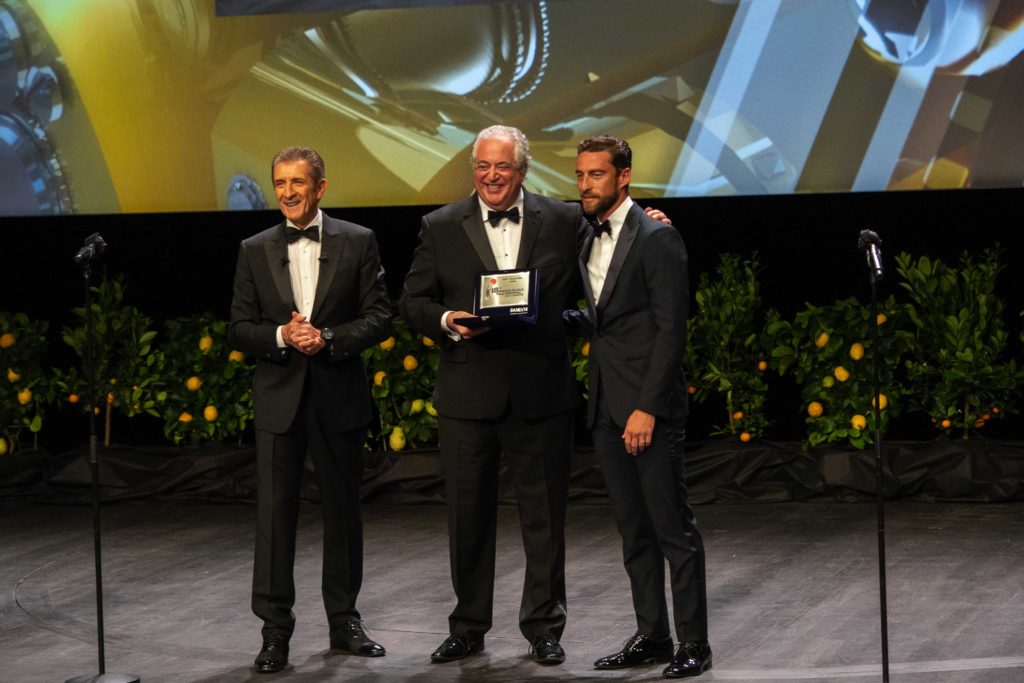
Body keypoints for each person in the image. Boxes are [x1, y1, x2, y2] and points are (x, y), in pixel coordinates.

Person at [399, 125, 585, 666]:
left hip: (540, 391)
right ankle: (467, 626)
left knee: (545, 519)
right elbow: (412, 301)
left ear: (522, 171)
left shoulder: (565, 219)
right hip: (468, 393)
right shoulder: (439, 225)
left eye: (502, 166)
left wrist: (652, 223)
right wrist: (447, 321)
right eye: (482, 165)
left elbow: (602, 276)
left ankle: (544, 627)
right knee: (467, 518)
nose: (491, 175)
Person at [229, 146, 392, 674]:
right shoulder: (254, 248)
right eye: (280, 183)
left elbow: (379, 316)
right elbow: (239, 327)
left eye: (297, 182)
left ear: (320, 187)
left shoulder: (358, 240)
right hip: (280, 400)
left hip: (338, 396)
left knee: (343, 513)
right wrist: (282, 334)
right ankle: (274, 631)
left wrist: (329, 338)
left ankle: (344, 622)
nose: (287, 192)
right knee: (274, 519)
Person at [565, 135, 711, 678]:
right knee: (633, 532)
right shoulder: (586, 234)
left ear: (623, 176)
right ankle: (652, 635)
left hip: (649, 410)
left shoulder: (657, 237)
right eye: (580, 175)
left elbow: (672, 331)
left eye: (597, 175)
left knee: (673, 530)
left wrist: (647, 408)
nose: (585, 185)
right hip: (606, 405)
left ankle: (694, 643)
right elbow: (605, 318)